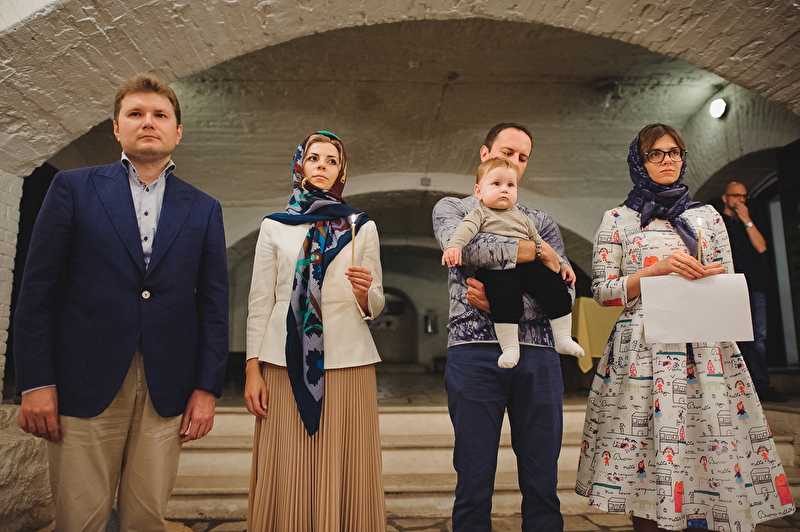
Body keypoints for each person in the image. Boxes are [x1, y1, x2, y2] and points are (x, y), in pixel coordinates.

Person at [13, 73, 229, 531]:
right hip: (81, 379)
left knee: (147, 518)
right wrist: (35, 382)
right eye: (135, 113)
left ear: (177, 132)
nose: (148, 122)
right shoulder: (72, 189)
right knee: (80, 519)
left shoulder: (204, 207)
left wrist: (207, 389)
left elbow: (213, 306)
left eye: (160, 115)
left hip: (167, 385)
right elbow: (37, 293)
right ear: (116, 128)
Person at [576, 123, 795, 531]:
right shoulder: (618, 219)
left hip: (703, 346)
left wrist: (707, 275)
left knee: (706, 446)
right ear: (639, 162)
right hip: (644, 351)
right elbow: (604, 291)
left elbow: (726, 275)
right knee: (644, 450)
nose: (667, 160)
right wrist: (653, 271)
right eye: (655, 154)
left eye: (674, 152)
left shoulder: (707, 216)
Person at [432, 123, 572, 531]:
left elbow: (562, 288)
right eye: (507, 152)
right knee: (473, 478)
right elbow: (468, 250)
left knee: (543, 480)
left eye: (522, 157)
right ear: (485, 153)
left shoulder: (540, 220)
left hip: (539, 353)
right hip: (473, 351)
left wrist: (502, 307)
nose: (514, 161)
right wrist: (535, 251)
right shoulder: (453, 208)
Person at [245, 131, 386, 531]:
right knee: (288, 457)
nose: (322, 166)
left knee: (347, 458)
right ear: (300, 166)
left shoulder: (362, 227)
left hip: (348, 360)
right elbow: (260, 301)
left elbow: (377, 302)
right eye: (314, 158)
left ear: (342, 172)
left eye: (331, 160)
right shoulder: (274, 226)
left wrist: (365, 294)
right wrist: (252, 367)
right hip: (282, 359)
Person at [442, 157, 584, 368]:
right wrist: (454, 246)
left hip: (528, 266)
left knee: (553, 285)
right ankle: (510, 348)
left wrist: (563, 265)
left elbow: (541, 244)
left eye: (510, 185)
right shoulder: (479, 213)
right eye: (496, 184)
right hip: (496, 270)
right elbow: (465, 230)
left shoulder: (523, 217)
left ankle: (563, 338)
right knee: (504, 300)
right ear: (479, 191)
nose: (504, 190)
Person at [721, 182, 788, 402]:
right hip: (730, 288)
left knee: (758, 338)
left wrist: (747, 220)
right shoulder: (719, 222)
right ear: (725, 198)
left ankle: (762, 385)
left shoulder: (748, 222)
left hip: (754, 287)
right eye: (735, 195)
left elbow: (761, 247)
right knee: (733, 338)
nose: (740, 200)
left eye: (743, 196)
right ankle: (738, 387)